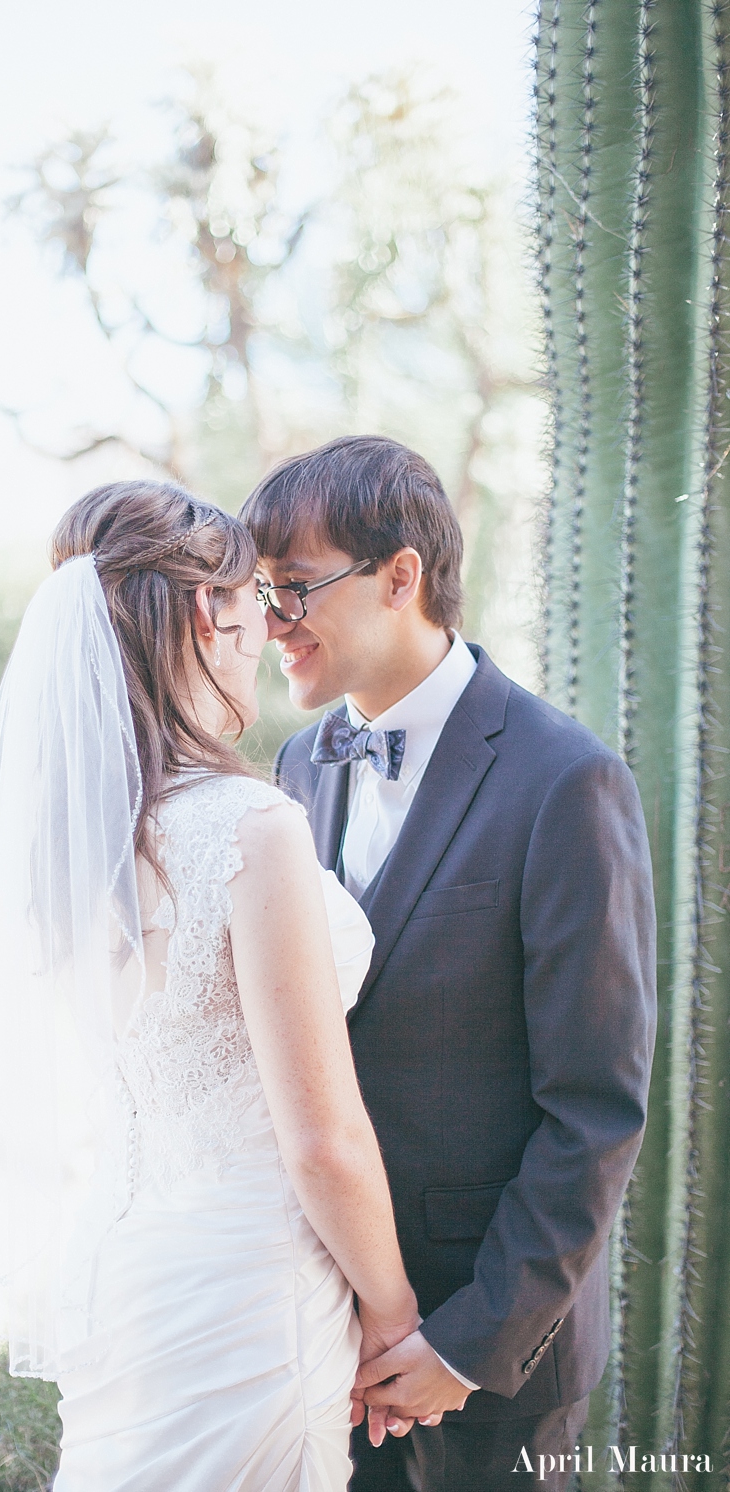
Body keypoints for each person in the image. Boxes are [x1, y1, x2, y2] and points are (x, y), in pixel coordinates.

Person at [0, 479, 422, 1492]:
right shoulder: (246, 829)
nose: (268, 622)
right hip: (247, 1292)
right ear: (202, 622)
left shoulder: (74, 847)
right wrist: (390, 1315)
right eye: (251, 595)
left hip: (124, 1270)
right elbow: (321, 1139)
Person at [240, 435, 657, 1492]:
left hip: (494, 1355)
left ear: (399, 575)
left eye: (292, 587)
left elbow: (594, 1109)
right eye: (259, 592)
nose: (268, 623)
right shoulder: (296, 765)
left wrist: (467, 1344)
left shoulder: (564, 780)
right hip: (323, 1327)